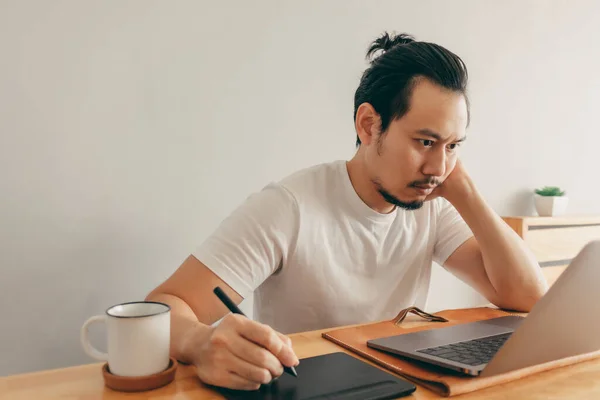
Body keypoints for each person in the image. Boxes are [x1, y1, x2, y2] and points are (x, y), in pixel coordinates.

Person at [146, 32, 547, 391]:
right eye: (426, 142)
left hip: (394, 386)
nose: (438, 168)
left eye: (453, 146)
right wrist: (200, 344)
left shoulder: (429, 204)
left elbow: (529, 298)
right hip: (306, 388)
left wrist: (467, 193)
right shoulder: (290, 207)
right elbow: (162, 307)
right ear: (369, 125)